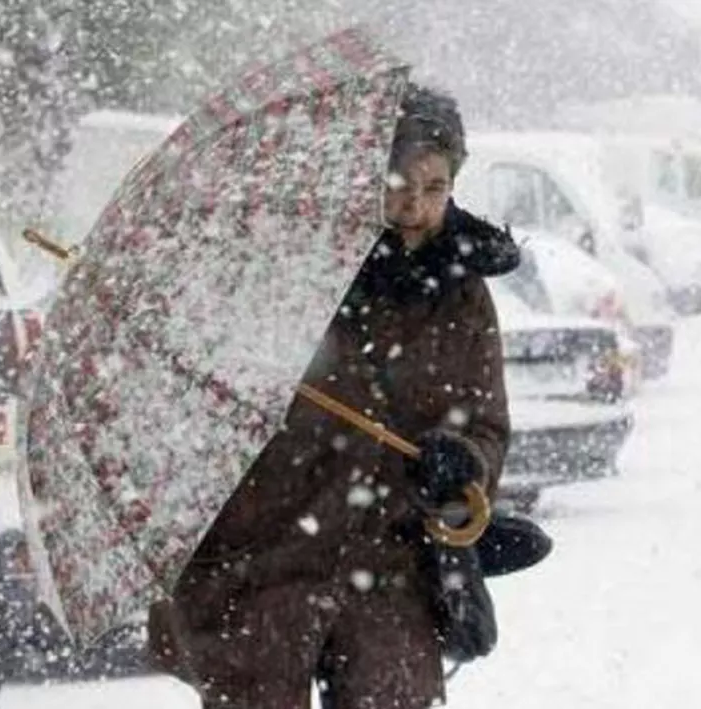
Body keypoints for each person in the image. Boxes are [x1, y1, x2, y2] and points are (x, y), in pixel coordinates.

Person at [147, 83, 519, 709]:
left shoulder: (462, 291)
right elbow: (218, 398)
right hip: (267, 555)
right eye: (399, 186)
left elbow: (486, 422)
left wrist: (463, 464)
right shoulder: (289, 267)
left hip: (392, 563)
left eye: (435, 189)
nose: (416, 209)